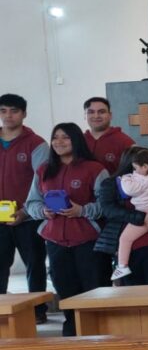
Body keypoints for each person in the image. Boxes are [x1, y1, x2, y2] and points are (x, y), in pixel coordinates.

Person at [24, 123, 108, 335]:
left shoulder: (95, 169)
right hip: (55, 241)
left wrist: (81, 210)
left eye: (65, 138)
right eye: (55, 137)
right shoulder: (44, 170)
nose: (59, 142)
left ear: (76, 140)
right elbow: (31, 202)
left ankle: (98, 332)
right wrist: (43, 212)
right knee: (65, 289)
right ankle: (71, 332)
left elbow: (107, 204)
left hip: (88, 239)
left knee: (93, 288)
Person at [94, 146, 148, 286]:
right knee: (133, 294)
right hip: (130, 247)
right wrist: (141, 217)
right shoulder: (113, 183)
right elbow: (109, 210)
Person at [0, 94, 49, 323]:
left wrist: (26, 211)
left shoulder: (36, 143)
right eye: (3, 111)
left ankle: (38, 311)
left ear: (24, 114)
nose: (8, 115)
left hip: (28, 218)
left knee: (35, 264)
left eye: (14, 111)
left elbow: (41, 181)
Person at [83, 97, 134, 175]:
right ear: (85, 116)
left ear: (110, 115)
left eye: (101, 112)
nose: (96, 116)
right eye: (91, 112)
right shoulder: (79, 140)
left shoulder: (125, 142)